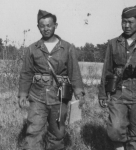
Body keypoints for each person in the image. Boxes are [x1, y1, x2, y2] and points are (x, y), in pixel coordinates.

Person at [18, 10, 84, 150]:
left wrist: (79, 92)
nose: (46, 29)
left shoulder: (67, 48)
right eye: (42, 26)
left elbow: (74, 72)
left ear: (55, 25)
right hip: (37, 96)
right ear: (38, 27)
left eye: (49, 25)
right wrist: (23, 93)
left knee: (57, 133)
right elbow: (26, 73)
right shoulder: (32, 49)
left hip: (60, 97)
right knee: (33, 131)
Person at [99, 6, 136, 150]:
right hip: (118, 93)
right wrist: (102, 93)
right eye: (123, 22)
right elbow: (106, 69)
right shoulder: (113, 43)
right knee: (115, 128)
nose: (126, 25)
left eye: (130, 22)